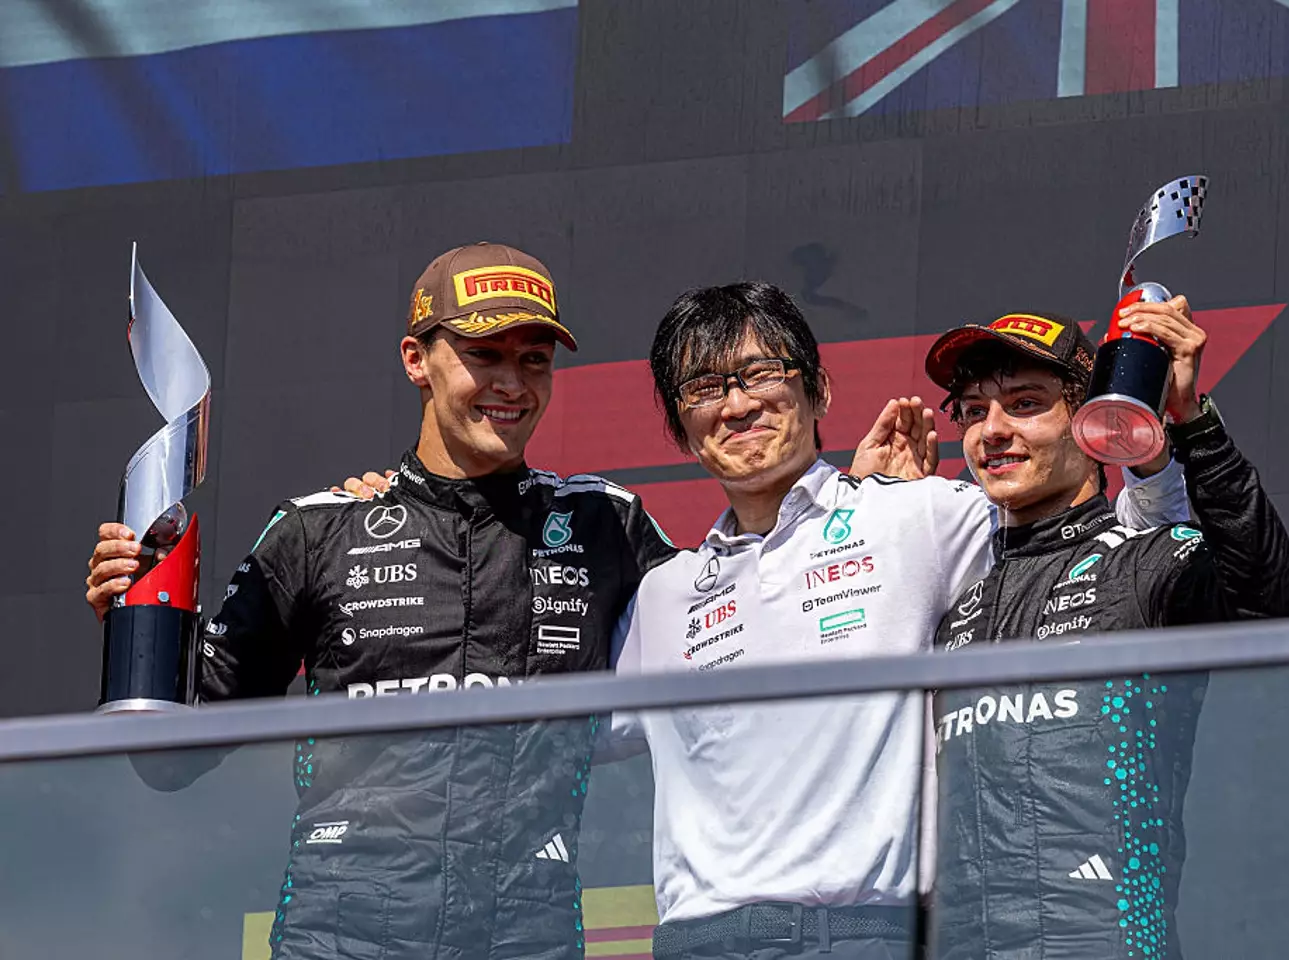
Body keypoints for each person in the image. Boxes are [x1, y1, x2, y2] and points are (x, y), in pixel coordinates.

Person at [84, 243, 678, 960]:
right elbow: (171, 758)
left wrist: (851, 506)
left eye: (534, 360)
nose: (512, 383)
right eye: (485, 353)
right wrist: (136, 623)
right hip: (341, 935)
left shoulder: (604, 524)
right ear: (415, 359)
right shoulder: (319, 528)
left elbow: (737, 626)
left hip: (526, 933)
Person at [604, 283, 1193, 960]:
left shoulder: (919, 516)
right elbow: (562, 748)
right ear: (680, 427)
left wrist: (1150, 424)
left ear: (819, 392)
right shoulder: (663, 593)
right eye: (705, 386)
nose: (737, 404)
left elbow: (1122, 554)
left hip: (865, 936)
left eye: (761, 373)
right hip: (696, 943)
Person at [923, 301, 1289, 959]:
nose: (992, 430)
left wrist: (1195, 424)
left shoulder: (1146, 560)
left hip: (1104, 942)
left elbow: (1266, 601)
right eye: (973, 410)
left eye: (1024, 404)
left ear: (1091, 420)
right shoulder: (955, 609)